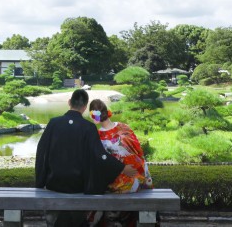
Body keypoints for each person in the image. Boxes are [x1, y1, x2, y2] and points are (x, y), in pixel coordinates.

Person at [35, 89, 137, 227]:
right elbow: (100, 155)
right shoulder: (88, 127)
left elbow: (41, 152)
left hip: (54, 183)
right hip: (78, 185)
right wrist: (122, 168)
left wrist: (40, 182)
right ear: (84, 107)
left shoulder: (53, 123)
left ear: (69, 102)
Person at [86, 99, 154, 227]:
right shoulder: (124, 127)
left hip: (115, 184)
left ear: (93, 116)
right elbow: (139, 152)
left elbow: (100, 164)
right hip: (136, 179)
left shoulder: (98, 136)